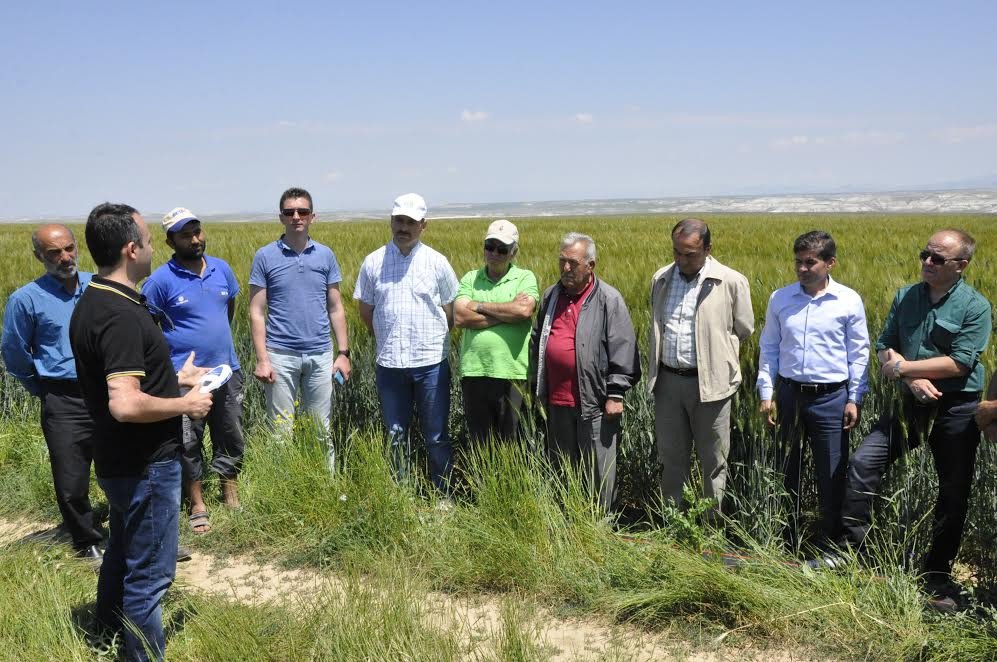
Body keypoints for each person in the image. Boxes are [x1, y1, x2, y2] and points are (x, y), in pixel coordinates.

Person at [70, 202, 213, 661]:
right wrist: (185, 403)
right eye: (150, 240)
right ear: (132, 249)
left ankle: (105, 629)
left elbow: (126, 380)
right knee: (150, 576)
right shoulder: (121, 316)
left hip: (117, 460)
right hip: (146, 464)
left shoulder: (95, 300)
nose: (153, 248)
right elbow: (126, 402)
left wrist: (175, 379)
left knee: (122, 552)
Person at [840, 229, 990, 597]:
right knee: (863, 463)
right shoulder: (905, 296)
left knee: (953, 492)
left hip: (956, 406)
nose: (927, 263)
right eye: (925, 255)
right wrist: (909, 380)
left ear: (961, 265)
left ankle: (936, 575)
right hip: (909, 402)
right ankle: (853, 554)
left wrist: (907, 370)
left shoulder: (976, 306)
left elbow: (960, 363)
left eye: (937, 259)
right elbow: (885, 344)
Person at [756, 231, 870, 546]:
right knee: (785, 469)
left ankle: (829, 544)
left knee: (831, 475)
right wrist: (767, 393)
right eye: (798, 262)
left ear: (830, 263)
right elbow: (769, 348)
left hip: (831, 398)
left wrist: (854, 399)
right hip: (790, 395)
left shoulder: (848, 301)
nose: (802, 269)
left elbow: (859, 353)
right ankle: (785, 538)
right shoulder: (780, 298)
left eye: (810, 262)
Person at [1, 224, 105, 560]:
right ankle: (85, 541)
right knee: (71, 476)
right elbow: (14, 353)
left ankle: (130, 533)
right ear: (38, 256)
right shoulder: (26, 299)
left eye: (69, 249)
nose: (65, 258)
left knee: (122, 465)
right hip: (63, 398)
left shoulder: (99, 286)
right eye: (54, 253)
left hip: (106, 392)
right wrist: (43, 388)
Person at [143, 208, 244, 536]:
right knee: (188, 440)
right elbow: (148, 329)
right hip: (185, 378)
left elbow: (229, 308)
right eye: (186, 234)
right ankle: (197, 502)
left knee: (229, 432)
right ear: (170, 240)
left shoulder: (221, 269)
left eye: (197, 231)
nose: (195, 239)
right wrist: (171, 370)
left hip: (226, 370)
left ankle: (230, 490)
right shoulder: (160, 280)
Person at [354, 193, 459, 491]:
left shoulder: (437, 262)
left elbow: (451, 310)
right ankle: (402, 493)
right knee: (396, 433)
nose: (404, 227)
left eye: (411, 222)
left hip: (430, 364)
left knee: (436, 434)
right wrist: (388, 335)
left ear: (423, 225)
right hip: (390, 364)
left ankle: (444, 492)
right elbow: (366, 311)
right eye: (399, 220)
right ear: (391, 221)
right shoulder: (373, 262)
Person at [648, 219, 754, 512]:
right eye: (677, 252)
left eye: (690, 254)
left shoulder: (730, 281)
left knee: (713, 461)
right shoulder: (661, 279)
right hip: (668, 382)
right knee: (671, 458)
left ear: (708, 248)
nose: (682, 260)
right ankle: (674, 523)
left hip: (712, 386)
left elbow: (743, 328)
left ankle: (711, 529)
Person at [530, 232, 640, 512]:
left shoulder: (608, 299)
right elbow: (537, 339)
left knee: (598, 471)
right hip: (556, 401)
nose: (566, 268)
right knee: (562, 467)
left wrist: (616, 393)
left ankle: (600, 526)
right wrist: (536, 385)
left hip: (594, 402)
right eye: (562, 261)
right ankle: (567, 522)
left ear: (591, 265)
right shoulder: (551, 296)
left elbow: (623, 347)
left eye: (573, 263)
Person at [249, 187, 351, 468]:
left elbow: (336, 307)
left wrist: (343, 353)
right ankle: (283, 490)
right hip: (280, 355)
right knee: (281, 431)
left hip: (320, 354)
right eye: (290, 212)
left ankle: (325, 489)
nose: (296, 217)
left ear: (312, 217)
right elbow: (256, 311)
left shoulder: (326, 256)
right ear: (281, 217)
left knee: (321, 429)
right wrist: (263, 359)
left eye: (302, 212)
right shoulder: (265, 257)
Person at [454, 220, 539, 443]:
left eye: (502, 249)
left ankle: (510, 480)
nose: (494, 253)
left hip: (513, 373)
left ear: (514, 253)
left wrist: (479, 305)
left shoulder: (525, 277)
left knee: (512, 444)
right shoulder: (470, 278)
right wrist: (505, 313)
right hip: (475, 371)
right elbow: (460, 317)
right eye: (489, 246)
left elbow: (523, 310)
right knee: (480, 444)